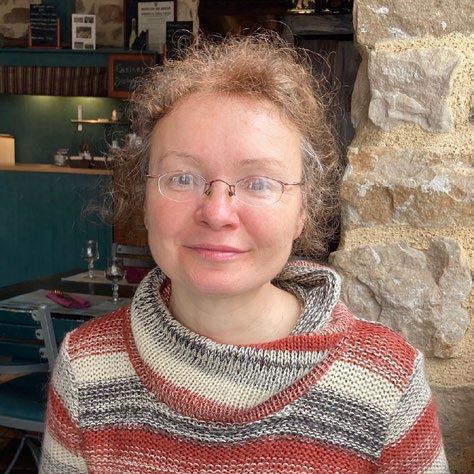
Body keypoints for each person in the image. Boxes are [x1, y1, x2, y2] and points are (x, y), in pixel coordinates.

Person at [40, 34, 448, 473]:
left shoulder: (388, 383)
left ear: (303, 210)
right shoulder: (86, 368)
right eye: (182, 178)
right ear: (144, 200)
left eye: (259, 183)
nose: (217, 213)